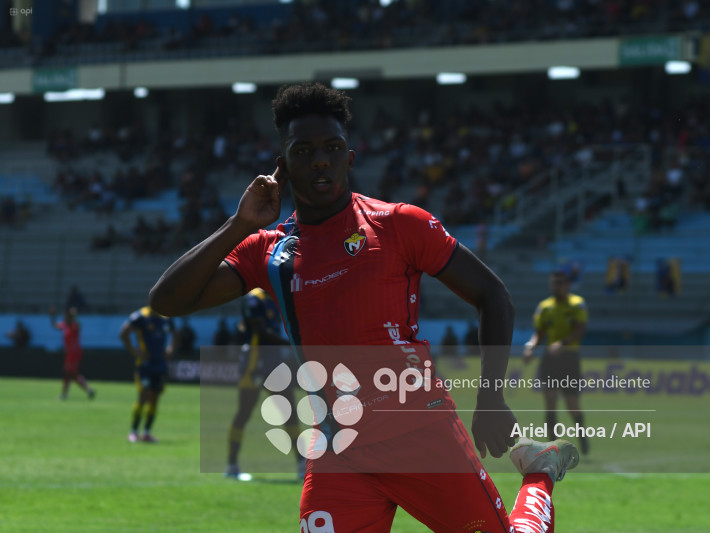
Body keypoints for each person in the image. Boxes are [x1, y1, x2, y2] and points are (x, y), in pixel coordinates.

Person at [149, 82, 578, 532]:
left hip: (420, 434)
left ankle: (538, 474)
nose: (320, 159)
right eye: (304, 150)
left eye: (333, 148)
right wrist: (238, 225)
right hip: (339, 450)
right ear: (283, 165)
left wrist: (490, 397)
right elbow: (167, 300)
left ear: (349, 159)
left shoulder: (398, 225)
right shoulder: (269, 252)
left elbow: (493, 296)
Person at [225, 288, 305, 481]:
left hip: (274, 363)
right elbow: (261, 332)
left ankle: (303, 466)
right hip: (255, 363)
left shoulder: (275, 297)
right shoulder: (254, 299)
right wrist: (292, 344)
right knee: (244, 412)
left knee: (290, 413)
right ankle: (232, 465)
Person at [523, 270, 590, 455]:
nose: (556, 287)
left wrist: (563, 343)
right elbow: (540, 332)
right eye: (553, 283)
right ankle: (553, 448)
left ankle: (582, 438)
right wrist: (531, 347)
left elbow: (580, 329)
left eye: (560, 283)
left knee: (571, 403)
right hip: (550, 359)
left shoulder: (577, 304)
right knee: (550, 401)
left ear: (568, 285)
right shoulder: (545, 307)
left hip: (569, 358)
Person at [119, 305, 178, 443]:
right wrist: (135, 351)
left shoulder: (166, 319)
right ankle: (133, 431)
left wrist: (170, 350)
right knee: (143, 396)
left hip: (160, 365)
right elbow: (123, 334)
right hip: (145, 365)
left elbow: (176, 334)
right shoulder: (140, 317)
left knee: (155, 398)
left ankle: (146, 432)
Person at [50, 306, 95, 400]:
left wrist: (75, 316)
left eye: (66, 316)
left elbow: (79, 325)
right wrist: (52, 315)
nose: (64, 318)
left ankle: (65, 394)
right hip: (69, 353)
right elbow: (54, 325)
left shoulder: (74, 326)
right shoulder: (64, 325)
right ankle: (88, 390)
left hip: (74, 353)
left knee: (69, 373)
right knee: (71, 374)